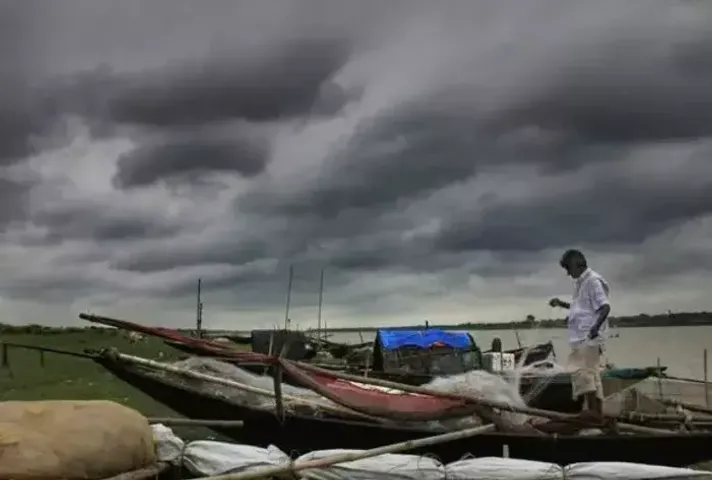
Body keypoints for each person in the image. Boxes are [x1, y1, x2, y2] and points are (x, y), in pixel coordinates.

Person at [548, 249, 611, 419]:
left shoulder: (592, 282)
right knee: (592, 376)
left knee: (583, 374)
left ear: (577, 264)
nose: (568, 273)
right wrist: (561, 304)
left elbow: (605, 307)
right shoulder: (581, 284)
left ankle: (592, 413)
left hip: (588, 340)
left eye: (568, 268)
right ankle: (596, 413)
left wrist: (595, 328)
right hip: (582, 340)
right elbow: (581, 308)